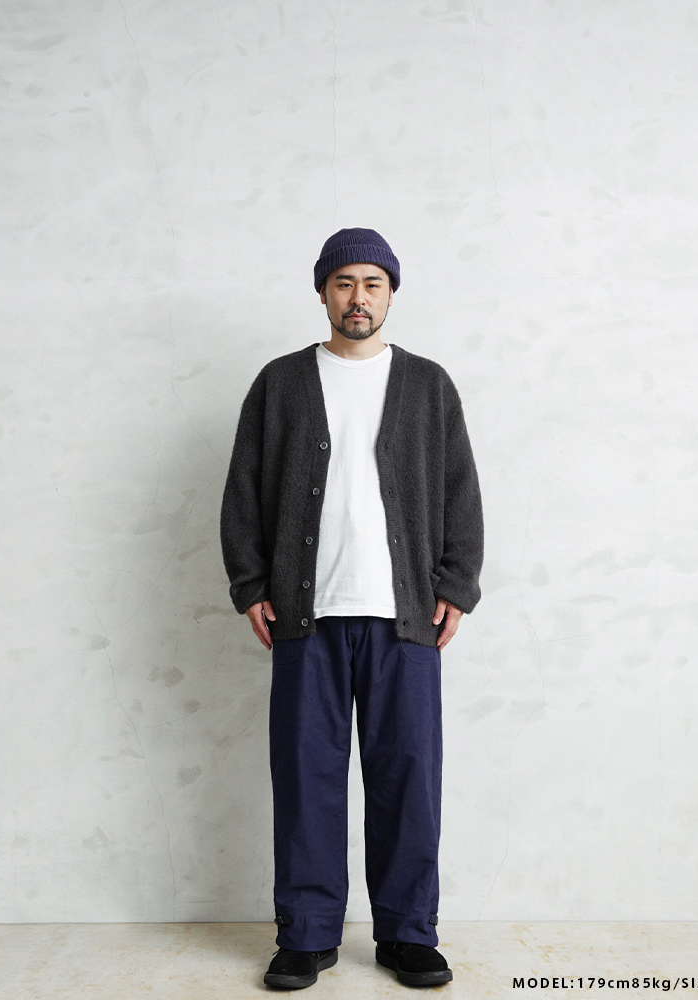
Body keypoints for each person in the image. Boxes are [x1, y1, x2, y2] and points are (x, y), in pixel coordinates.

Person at [220, 227, 483, 989]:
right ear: (323, 293)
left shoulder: (428, 385)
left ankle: (407, 934)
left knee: (409, 778)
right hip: (306, 615)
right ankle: (306, 935)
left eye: (372, 283)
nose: (358, 297)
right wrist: (251, 586)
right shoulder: (281, 383)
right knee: (307, 778)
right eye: (344, 283)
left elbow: (461, 490)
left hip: (406, 617)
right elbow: (243, 490)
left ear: (391, 292)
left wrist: (456, 585)